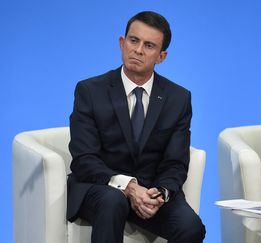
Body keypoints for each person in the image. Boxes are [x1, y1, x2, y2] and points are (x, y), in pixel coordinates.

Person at [66, 11, 206, 243]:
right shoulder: (90, 91)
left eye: (149, 45)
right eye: (134, 40)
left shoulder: (178, 98)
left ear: (161, 56)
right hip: (100, 188)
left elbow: (175, 162)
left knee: (191, 227)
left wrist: (160, 193)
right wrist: (128, 186)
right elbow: (84, 159)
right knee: (113, 201)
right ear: (122, 43)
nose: (138, 50)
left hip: (149, 191)